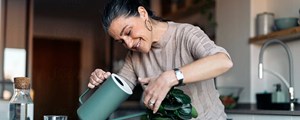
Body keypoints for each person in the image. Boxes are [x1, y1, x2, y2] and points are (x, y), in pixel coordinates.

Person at [88, 0, 233, 119]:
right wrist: (104, 82)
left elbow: (223, 61)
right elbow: (120, 87)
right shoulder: (134, 57)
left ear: (143, 13)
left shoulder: (186, 34)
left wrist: (171, 77)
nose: (129, 44)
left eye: (128, 32)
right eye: (121, 41)